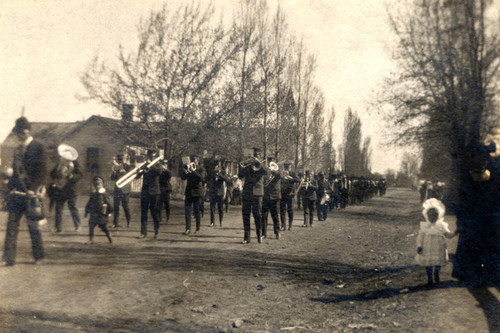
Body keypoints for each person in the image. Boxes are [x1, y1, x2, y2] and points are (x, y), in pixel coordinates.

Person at [2, 117, 46, 266]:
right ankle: (9, 258)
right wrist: (10, 188)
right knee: (11, 226)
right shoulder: (18, 149)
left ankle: (38, 257)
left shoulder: (38, 147)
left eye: (18, 133)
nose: (17, 136)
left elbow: (41, 172)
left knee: (33, 226)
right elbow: (15, 173)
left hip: (32, 194)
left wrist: (33, 190)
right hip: (17, 194)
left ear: (26, 131)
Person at [415, 198, 456, 286]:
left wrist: (455, 233)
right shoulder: (424, 226)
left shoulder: (441, 225)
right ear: (427, 216)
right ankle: (430, 276)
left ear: (438, 216)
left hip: (439, 246)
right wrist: (419, 246)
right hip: (427, 246)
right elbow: (420, 237)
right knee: (428, 262)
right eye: (431, 215)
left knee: (438, 261)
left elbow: (448, 235)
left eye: (435, 215)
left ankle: (436, 273)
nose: (433, 217)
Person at [50, 143, 82, 233]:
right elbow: (52, 173)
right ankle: (58, 228)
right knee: (58, 209)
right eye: (63, 157)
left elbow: (80, 174)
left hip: (71, 189)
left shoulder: (75, 164)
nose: (64, 159)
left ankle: (78, 226)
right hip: (61, 189)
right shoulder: (59, 164)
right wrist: (58, 173)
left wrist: (72, 176)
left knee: (72, 208)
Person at [238, 149, 266, 244]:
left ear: (261, 156)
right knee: (246, 215)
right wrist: (241, 167)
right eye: (255, 155)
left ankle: (259, 235)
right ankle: (247, 238)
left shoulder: (263, 166)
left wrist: (259, 163)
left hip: (258, 194)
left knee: (257, 215)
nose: (256, 156)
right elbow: (240, 176)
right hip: (247, 193)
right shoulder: (248, 167)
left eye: (258, 155)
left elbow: (266, 172)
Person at [135, 149, 162, 239]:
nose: (150, 157)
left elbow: (159, 172)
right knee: (143, 213)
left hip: (155, 192)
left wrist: (151, 166)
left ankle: (156, 231)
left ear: (155, 157)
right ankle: (143, 233)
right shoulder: (144, 165)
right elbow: (137, 177)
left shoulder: (158, 164)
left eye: (152, 156)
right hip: (145, 192)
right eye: (149, 156)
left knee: (154, 212)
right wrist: (138, 170)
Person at [181, 155, 206, 234]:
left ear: (197, 161)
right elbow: (183, 177)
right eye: (192, 160)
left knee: (197, 211)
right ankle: (187, 228)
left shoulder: (201, 169)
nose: (193, 162)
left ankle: (197, 228)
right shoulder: (188, 169)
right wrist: (185, 171)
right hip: (189, 192)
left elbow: (201, 178)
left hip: (197, 193)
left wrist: (193, 171)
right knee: (187, 211)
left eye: (194, 160)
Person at [84, 176, 113, 244]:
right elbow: (89, 203)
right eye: (96, 185)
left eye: (98, 185)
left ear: (102, 185)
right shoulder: (93, 194)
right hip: (94, 213)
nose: (97, 186)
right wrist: (86, 211)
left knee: (103, 227)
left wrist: (109, 212)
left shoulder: (104, 195)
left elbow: (109, 204)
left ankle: (109, 236)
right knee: (91, 226)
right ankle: (91, 240)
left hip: (101, 214)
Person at [110, 154, 132, 228]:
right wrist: (114, 172)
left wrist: (120, 169)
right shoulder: (116, 167)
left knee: (125, 206)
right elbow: (112, 178)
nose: (121, 161)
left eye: (122, 159)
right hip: (117, 189)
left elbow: (128, 175)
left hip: (125, 189)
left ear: (125, 159)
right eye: (119, 160)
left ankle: (128, 222)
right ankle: (115, 223)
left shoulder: (128, 167)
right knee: (116, 206)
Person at [261, 160, 281, 239]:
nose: (270, 167)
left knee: (275, 216)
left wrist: (273, 170)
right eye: (269, 166)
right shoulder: (266, 175)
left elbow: (279, 175)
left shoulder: (277, 174)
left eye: (272, 165)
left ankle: (277, 232)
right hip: (266, 198)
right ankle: (263, 233)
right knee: (264, 216)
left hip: (275, 198)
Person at [158, 159, 172, 224]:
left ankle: (168, 217)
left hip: (166, 189)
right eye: (163, 163)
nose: (164, 164)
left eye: (165, 163)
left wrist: (165, 169)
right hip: (160, 189)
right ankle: (159, 218)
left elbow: (169, 176)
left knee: (167, 204)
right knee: (159, 204)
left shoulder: (167, 171)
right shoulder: (160, 171)